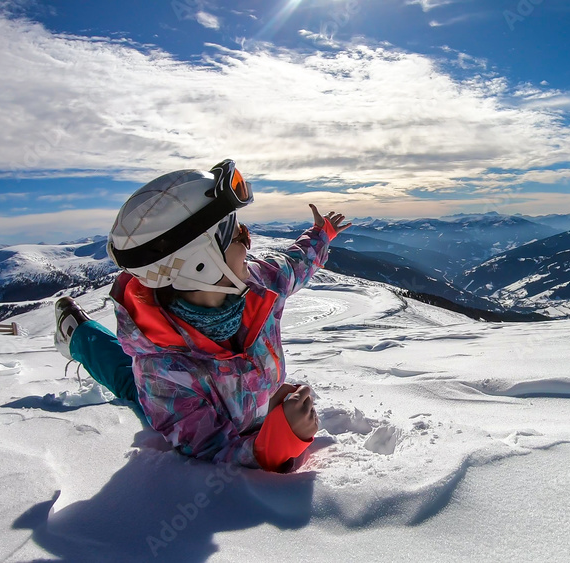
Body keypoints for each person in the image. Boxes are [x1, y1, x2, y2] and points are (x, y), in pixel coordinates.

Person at [53, 159, 351, 472]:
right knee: (131, 385)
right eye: (238, 238)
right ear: (201, 266)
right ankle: (79, 335)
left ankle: (82, 333)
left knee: (132, 378)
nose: (249, 245)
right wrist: (283, 439)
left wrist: (322, 233)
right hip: (167, 393)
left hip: (241, 400)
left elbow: (295, 265)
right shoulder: (163, 375)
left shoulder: (258, 285)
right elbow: (212, 447)